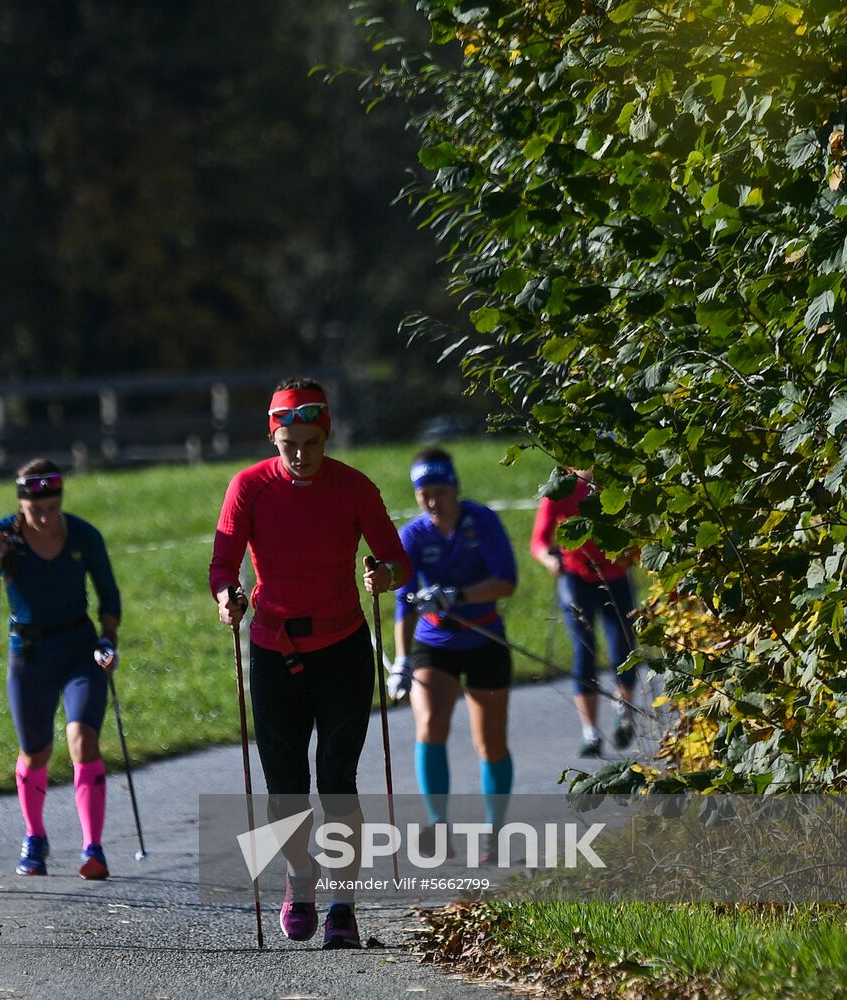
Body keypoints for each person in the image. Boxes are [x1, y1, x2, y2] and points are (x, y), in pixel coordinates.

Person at [209, 377, 412, 950]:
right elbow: (223, 564)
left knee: (338, 781)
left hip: (343, 649)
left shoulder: (353, 487)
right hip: (275, 651)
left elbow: (397, 561)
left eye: (311, 443)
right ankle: (301, 885)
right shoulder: (249, 487)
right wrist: (228, 597)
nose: (300, 455)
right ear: (274, 439)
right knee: (285, 788)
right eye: (289, 444)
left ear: (326, 435)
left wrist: (385, 576)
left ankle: (343, 906)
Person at [0, 458, 122, 881]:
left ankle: (93, 847)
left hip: (79, 649)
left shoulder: (83, 535)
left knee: (82, 740)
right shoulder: (4, 536)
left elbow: (108, 595)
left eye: (53, 506)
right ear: (21, 504)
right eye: (37, 510)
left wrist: (109, 640)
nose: (46, 517)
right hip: (29, 653)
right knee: (36, 752)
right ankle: (35, 836)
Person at [389, 448, 517, 861]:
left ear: (456, 489)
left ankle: (495, 829)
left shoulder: (482, 521)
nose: (433, 502)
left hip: (483, 638)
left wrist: (457, 595)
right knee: (429, 725)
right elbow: (404, 604)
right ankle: (438, 824)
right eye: (424, 493)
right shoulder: (413, 535)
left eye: (441, 492)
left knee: (490, 742)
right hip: (435, 643)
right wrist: (402, 660)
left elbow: (506, 582)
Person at [529, 467, 637, 756]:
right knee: (583, 651)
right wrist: (549, 559)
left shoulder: (616, 481)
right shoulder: (561, 487)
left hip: (614, 574)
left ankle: (623, 713)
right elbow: (539, 540)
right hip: (575, 576)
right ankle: (590, 733)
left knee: (623, 648)